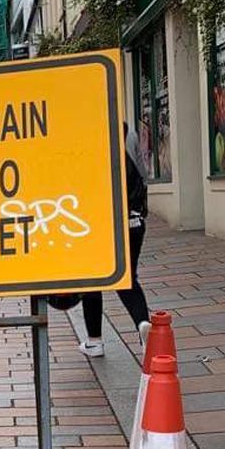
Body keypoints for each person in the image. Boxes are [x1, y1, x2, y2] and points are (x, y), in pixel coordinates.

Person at [78, 123, 150, 358]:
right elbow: (143, 173)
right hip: (133, 220)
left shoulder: (84, 137)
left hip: (99, 222)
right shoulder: (128, 131)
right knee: (127, 278)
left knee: (92, 278)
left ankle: (94, 341)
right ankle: (142, 325)